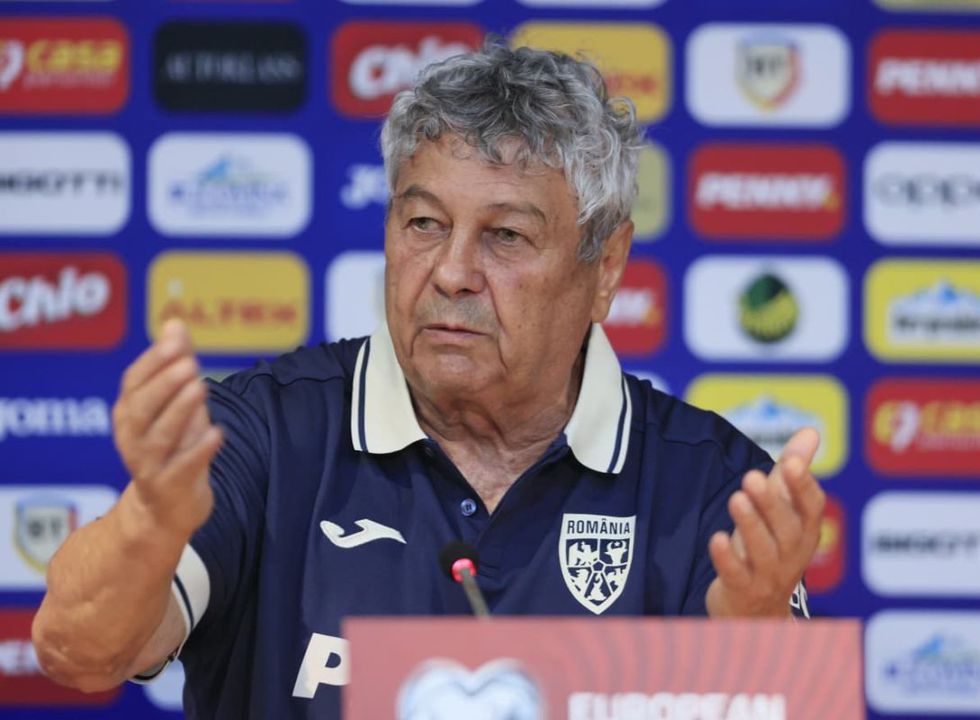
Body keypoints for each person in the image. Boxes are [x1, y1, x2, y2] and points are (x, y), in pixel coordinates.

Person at [31, 40, 825, 719]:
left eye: (505, 236)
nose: (450, 272)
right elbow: (80, 653)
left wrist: (750, 641)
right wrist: (151, 523)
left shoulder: (712, 486)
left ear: (606, 265)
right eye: (424, 224)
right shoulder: (261, 434)